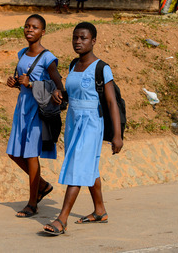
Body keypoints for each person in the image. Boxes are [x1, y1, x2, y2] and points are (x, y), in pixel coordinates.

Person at [43, 22, 123, 235]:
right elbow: (72, 93)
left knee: (78, 165)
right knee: (88, 165)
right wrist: (59, 95)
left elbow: (112, 102)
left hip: (91, 123)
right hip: (73, 121)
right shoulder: (72, 65)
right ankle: (100, 210)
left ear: (93, 41)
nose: (78, 42)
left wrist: (117, 135)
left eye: (83, 38)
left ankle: (62, 219)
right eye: (75, 38)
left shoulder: (101, 68)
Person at [6, 14, 64, 218]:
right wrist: (15, 83)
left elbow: (58, 85)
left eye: (35, 27)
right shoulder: (22, 53)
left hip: (37, 110)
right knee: (13, 153)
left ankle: (32, 203)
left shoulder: (48, 57)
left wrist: (30, 84)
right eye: (27, 26)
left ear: (43, 32)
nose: (30, 30)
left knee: (31, 155)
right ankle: (42, 186)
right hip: (22, 107)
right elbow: (22, 80)